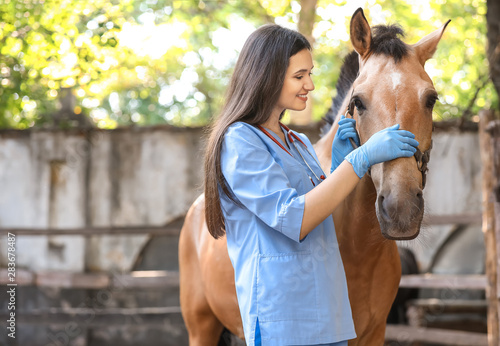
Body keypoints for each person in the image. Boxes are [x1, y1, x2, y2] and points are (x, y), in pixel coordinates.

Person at [203, 24, 419, 346]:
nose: (311, 85)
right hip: (283, 318)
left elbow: (322, 218)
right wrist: (358, 160)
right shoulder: (240, 141)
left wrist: (335, 171)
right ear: (268, 75)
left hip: (327, 315)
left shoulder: (298, 142)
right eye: (299, 76)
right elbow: (295, 219)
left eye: (310, 74)